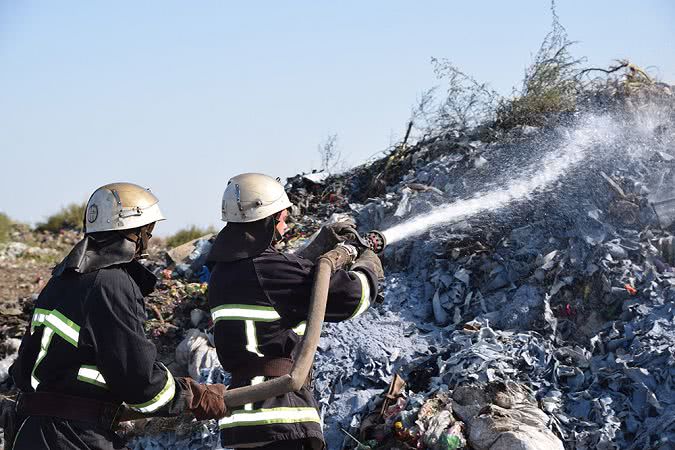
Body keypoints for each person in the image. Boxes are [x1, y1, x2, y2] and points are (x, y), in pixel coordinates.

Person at [8, 182, 227, 450]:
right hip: (72, 436)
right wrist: (192, 396)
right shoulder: (110, 284)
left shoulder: (62, 281)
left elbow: (23, 369)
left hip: (32, 430)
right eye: (148, 230)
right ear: (135, 233)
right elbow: (139, 382)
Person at [207, 173, 384, 449]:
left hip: (245, 419)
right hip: (281, 415)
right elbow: (353, 296)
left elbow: (279, 286)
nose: (284, 225)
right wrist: (368, 260)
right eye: (281, 217)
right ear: (267, 219)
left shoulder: (223, 273)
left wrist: (318, 247)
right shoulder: (268, 270)